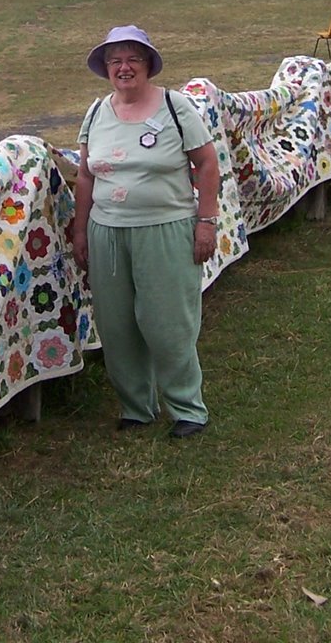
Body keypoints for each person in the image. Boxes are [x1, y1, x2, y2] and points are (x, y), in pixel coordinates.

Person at [70, 25, 221, 438]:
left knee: (168, 323)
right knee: (116, 326)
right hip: (107, 233)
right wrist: (80, 231)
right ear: (105, 68)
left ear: (148, 65)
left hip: (165, 229)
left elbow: (207, 164)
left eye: (133, 59)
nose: (124, 67)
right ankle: (136, 407)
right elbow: (85, 176)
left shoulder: (175, 107)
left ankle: (187, 409)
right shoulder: (96, 113)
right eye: (115, 60)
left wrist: (206, 222)